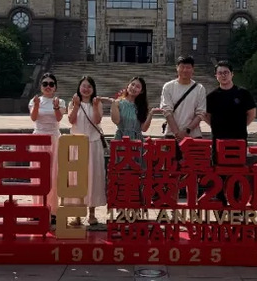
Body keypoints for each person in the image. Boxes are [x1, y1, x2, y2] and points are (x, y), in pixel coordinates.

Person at [206, 60, 257, 205]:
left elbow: (252, 113)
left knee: (236, 171)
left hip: (238, 139)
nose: (223, 75)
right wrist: (217, 127)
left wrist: (240, 126)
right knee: (219, 170)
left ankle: (235, 200)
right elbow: (207, 116)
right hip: (219, 140)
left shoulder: (243, 93)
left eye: (226, 72)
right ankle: (220, 200)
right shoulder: (212, 96)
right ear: (216, 76)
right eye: (220, 73)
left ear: (232, 74)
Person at [67, 76, 106, 226]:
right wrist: (76, 105)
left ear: (93, 89)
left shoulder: (97, 103)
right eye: (84, 86)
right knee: (76, 179)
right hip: (77, 145)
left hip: (93, 144)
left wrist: (95, 106)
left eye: (89, 86)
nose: (86, 89)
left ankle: (92, 213)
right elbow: (71, 120)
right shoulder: (73, 102)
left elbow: (97, 120)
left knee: (93, 178)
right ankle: (77, 214)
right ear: (79, 87)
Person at [28, 72, 66, 226]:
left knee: (53, 174)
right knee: (37, 174)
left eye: (51, 84)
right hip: (38, 138)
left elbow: (59, 118)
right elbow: (33, 118)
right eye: (45, 84)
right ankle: (37, 208)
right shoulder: (35, 100)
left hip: (54, 139)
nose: (48, 86)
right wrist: (37, 105)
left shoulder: (60, 101)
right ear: (41, 86)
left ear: (55, 87)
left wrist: (56, 107)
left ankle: (53, 211)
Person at [160, 55, 207, 141]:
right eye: (182, 67)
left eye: (188, 67)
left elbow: (201, 113)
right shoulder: (168, 87)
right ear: (177, 68)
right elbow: (167, 111)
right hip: (171, 135)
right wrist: (177, 132)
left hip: (193, 135)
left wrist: (187, 131)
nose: (185, 70)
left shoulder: (199, 88)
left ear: (193, 69)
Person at [111, 76, 161, 140]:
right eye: (132, 84)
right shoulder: (118, 103)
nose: (133, 88)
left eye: (137, 87)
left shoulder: (142, 107)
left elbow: (144, 129)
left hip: (137, 141)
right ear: (128, 85)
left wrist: (151, 114)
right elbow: (116, 121)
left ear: (141, 91)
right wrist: (113, 104)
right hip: (121, 138)